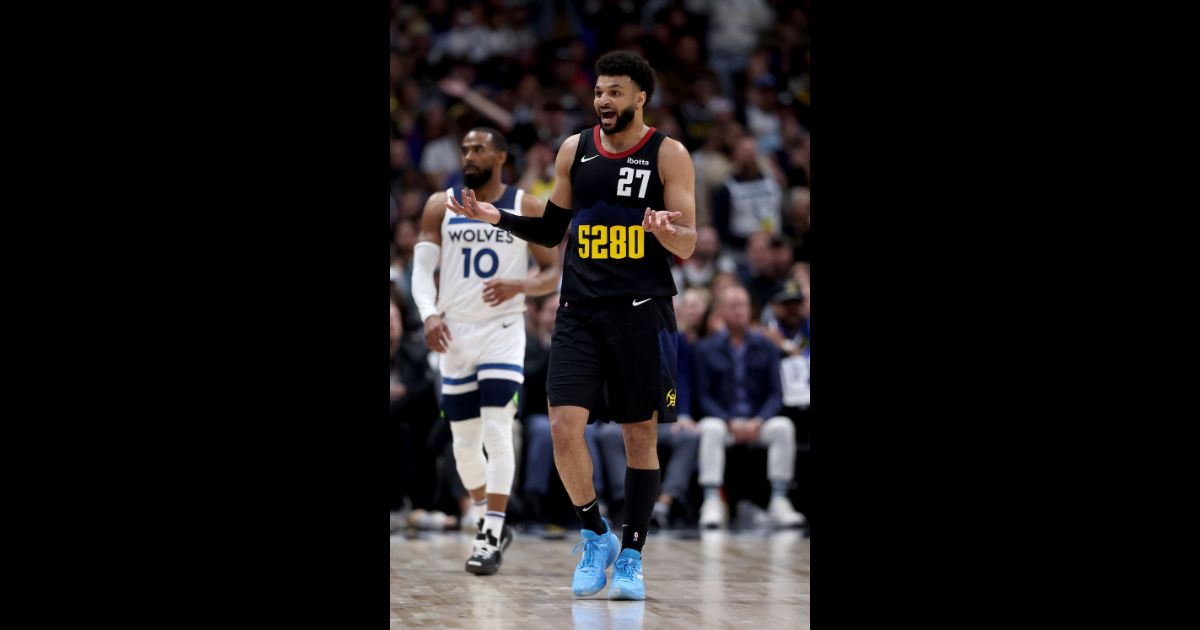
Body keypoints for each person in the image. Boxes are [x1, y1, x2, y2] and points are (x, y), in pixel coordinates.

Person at [447, 50, 697, 601]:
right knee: (563, 427)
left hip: (642, 312)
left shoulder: (669, 153)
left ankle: (632, 554)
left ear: (640, 98)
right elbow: (554, 228)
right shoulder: (574, 148)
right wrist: (501, 218)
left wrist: (664, 232)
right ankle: (595, 534)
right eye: (599, 92)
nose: (603, 101)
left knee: (640, 436)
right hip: (578, 312)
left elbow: (689, 241)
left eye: (614, 92)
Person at [412, 126, 562, 575]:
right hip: (454, 332)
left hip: (503, 329)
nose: (468, 155)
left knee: (498, 428)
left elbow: (551, 272)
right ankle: (485, 514)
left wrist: (520, 284)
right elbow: (422, 272)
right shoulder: (441, 204)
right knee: (463, 445)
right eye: (464, 149)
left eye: (478, 149)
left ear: (500, 158)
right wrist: (428, 315)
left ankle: (491, 530)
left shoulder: (524, 205)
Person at [693, 285, 806, 530]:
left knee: (783, 427)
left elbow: (776, 394)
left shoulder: (765, 346)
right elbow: (703, 397)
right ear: (720, 311)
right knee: (710, 428)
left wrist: (759, 420)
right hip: (725, 423)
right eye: (733, 305)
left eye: (743, 305)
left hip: (757, 421)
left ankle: (779, 498)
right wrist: (728, 420)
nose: (739, 311)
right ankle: (712, 499)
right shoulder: (705, 348)